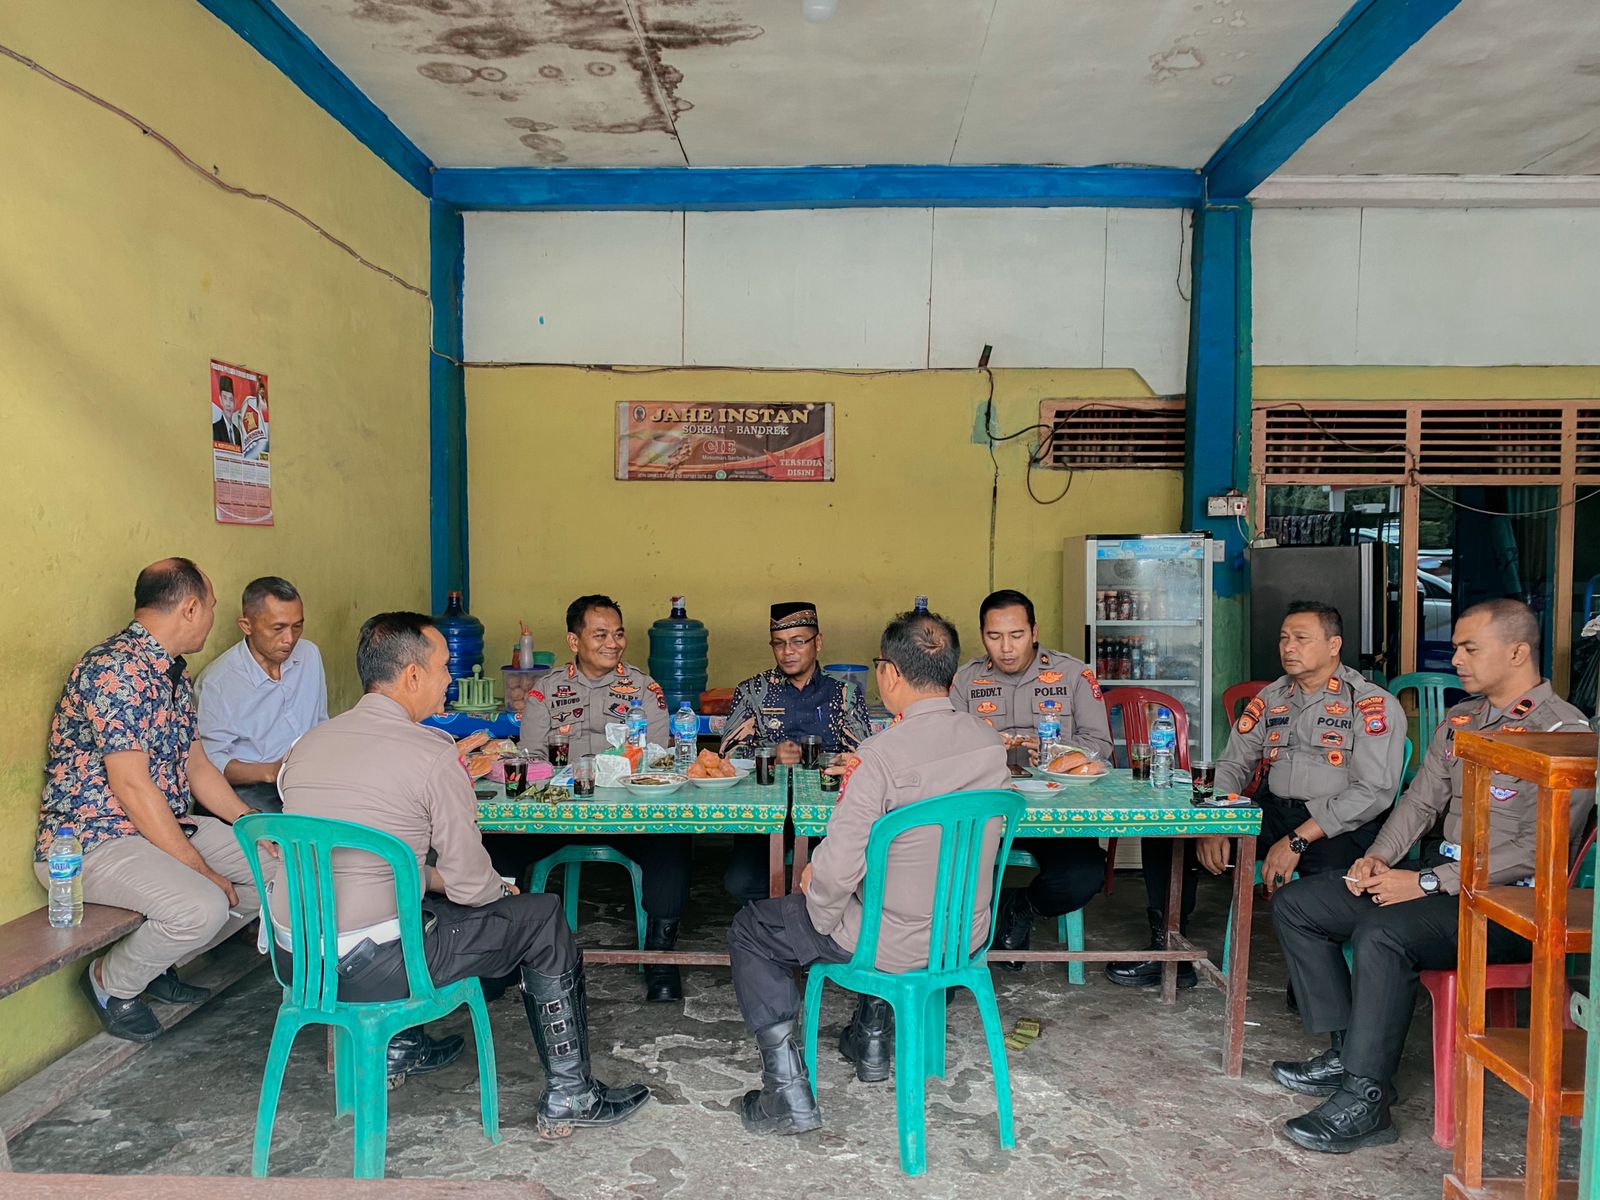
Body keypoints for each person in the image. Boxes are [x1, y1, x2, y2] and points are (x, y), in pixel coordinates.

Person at [275, 611, 649, 1130]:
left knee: (428, 895)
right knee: (541, 915)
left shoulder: (305, 747)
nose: (450, 679)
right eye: (444, 667)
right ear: (411, 676)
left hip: (297, 961)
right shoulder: (431, 754)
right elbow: (474, 889)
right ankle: (572, 1093)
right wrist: (501, 886)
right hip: (380, 968)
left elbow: (375, 862)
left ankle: (400, 1048)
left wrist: (440, 878)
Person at [1268, 598, 1592, 1152]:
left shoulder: (1565, 732)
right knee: (1302, 904)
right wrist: (1381, 859)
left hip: (1511, 905)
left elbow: (1540, 847)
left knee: (1383, 933)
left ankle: (1366, 1101)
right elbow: (1418, 803)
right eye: (1458, 646)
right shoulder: (1461, 717)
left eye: (1470, 647)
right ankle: (1349, 1050)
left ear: (1517, 652)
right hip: (1444, 881)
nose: (1457, 658)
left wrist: (1424, 882)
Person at [728, 610, 1009, 1135]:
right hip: (961, 936)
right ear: (950, 672)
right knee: (873, 894)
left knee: (753, 929)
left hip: (891, 942)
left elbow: (835, 876)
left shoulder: (878, 756)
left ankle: (787, 1095)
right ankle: (868, 1031)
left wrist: (816, 896)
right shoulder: (988, 742)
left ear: (889, 674)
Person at [1107, 600, 1407, 989]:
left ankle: (1322, 980)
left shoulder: (1370, 704)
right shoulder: (1272, 697)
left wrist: (1298, 840)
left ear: (1334, 645)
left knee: (1334, 880)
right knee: (1168, 835)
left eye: (1301, 638)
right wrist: (1215, 822)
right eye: (1284, 639)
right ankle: (1169, 952)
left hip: (1340, 826)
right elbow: (1233, 764)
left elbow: (1372, 793)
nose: (1288, 648)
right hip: (1272, 813)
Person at [34, 558, 259, 1042]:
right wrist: (200, 869)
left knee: (274, 871)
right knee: (202, 904)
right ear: (191, 607)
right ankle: (110, 984)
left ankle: (156, 965)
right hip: (94, 839)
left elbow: (197, 766)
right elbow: (133, 789)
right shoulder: (113, 670)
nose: (213, 616)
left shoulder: (172, 674)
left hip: (160, 826)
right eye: (213, 607)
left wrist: (255, 826)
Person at [518, 595, 689, 1003]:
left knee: (674, 840)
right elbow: (531, 757)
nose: (613, 643)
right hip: (561, 813)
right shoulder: (545, 691)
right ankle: (498, 958)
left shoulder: (645, 689)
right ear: (574, 641)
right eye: (600, 635)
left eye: (618, 633)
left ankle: (660, 959)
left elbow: (658, 756)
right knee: (496, 841)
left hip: (629, 810)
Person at [949, 588, 1111, 969]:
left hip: (1057, 813)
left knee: (1085, 874)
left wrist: (1059, 753)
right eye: (994, 636)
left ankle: (1017, 907)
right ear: (982, 635)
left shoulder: (1074, 675)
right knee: (940, 866)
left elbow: (1100, 746)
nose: (1006, 647)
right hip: (986, 815)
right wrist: (987, 751)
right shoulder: (964, 682)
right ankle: (955, 953)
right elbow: (946, 749)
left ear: (1034, 632)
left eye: (1016, 635)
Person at [720, 600, 871, 907]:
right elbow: (729, 755)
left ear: (819, 642)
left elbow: (864, 754)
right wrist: (771, 753)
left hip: (831, 814)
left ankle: (812, 927)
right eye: (779, 644)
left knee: (845, 877)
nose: (788, 652)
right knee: (741, 882)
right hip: (765, 813)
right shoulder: (753, 690)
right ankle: (779, 925)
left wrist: (834, 760)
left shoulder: (843, 693)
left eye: (798, 642)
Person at [196, 576, 328, 812]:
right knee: (285, 833)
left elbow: (320, 722)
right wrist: (270, 772)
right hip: (252, 786)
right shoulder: (218, 683)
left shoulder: (309, 655)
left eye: (297, 626)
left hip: (306, 776)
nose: (289, 639)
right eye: (278, 628)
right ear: (246, 626)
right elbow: (211, 763)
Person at [212, 376, 242, 448]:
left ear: (234, 402)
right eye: (225, 398)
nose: (228, 404)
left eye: (231, 399)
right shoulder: (215, 429)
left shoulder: (237, 432)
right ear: (220, 400)